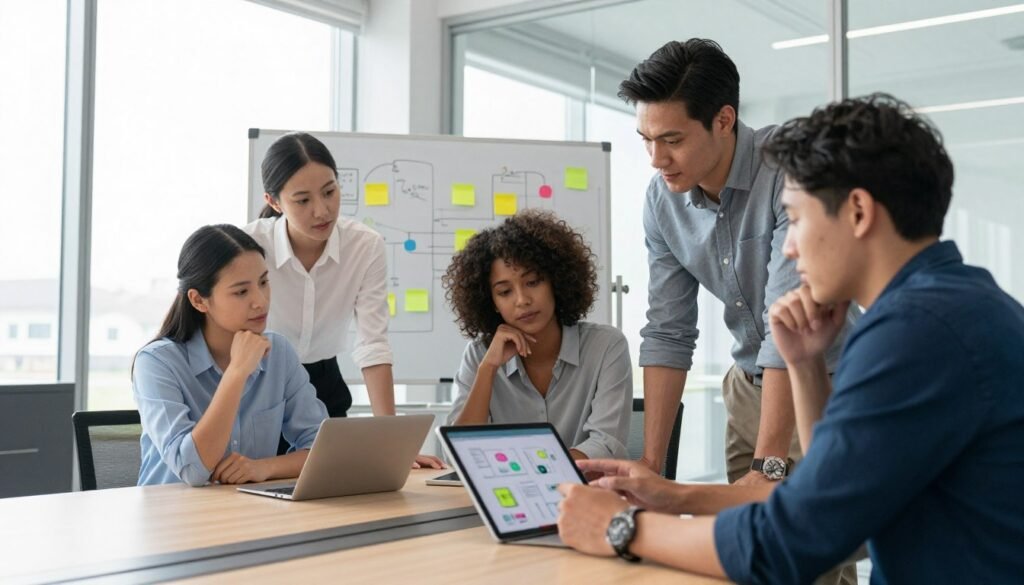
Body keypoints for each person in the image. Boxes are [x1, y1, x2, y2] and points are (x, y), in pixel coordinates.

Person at [556, 94, 1024, 584]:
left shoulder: (914, 332)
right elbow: (837, 500)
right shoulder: (959, 303)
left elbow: (797, 541)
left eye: (796, 219)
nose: (790, 246)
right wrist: (803, 365)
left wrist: (620, 527)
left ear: (859, 212)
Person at [622, 39, 858, 487]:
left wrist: (766, 464)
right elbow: (668, 330)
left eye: (672, 140)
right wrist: (652, 465)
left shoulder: (790, 167)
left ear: (723, 120)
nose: (657, 160)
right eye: (647, 140)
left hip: (823, 382)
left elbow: (786, 322)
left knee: (809, 547)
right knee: (742, 547)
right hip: (747, 386)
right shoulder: (662, 200)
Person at [245, 132, 442, 468]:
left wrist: (392, 443)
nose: (322, 210)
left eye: (329, 192)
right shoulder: (249, 244)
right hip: (257, 384)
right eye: (302, 200)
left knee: (330, 493)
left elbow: (372, 344)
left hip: (323, 387)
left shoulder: (364, 246)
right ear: (275, 202)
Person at [133, 225, 328, 487]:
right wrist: (237, 373)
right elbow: (191, 469)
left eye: (263, 282)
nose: (260, 301)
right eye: (241, 292)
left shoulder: (278, 353)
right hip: (171, 518)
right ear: (199, 300)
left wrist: (263, 468)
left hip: (246, 515)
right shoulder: (156, 364)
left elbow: (322, 450)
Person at [442, 209, 632, 461]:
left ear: (556, 281)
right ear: (491, 302)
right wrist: (487, 369)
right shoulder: (479, 354)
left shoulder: (606, 346)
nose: (522, 300)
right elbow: (459, 455)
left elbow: (606, 445)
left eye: (533, 282)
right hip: (505, 496)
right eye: (505, 291)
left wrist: (534, 468)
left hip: (587, 494)